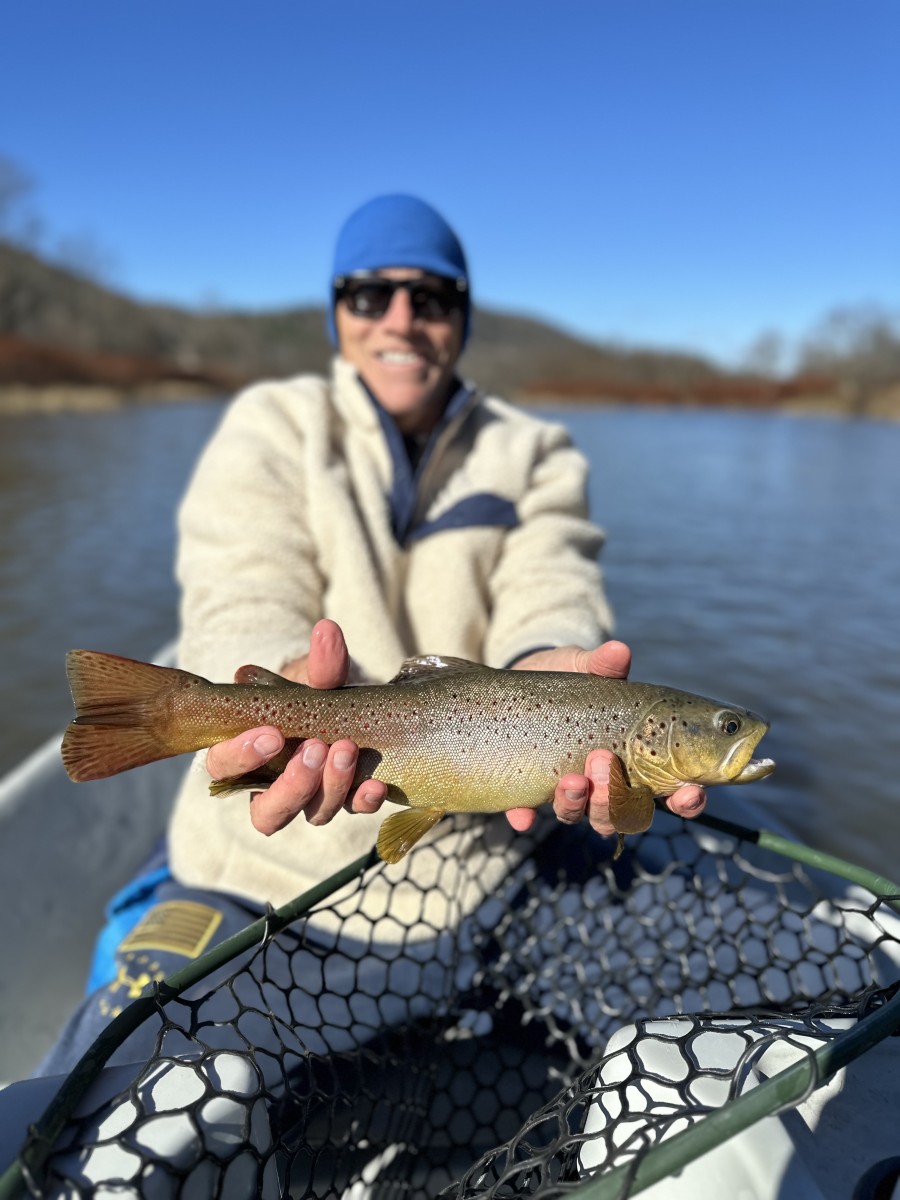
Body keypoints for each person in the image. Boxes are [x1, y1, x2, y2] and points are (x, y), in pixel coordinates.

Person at [37, 194, 705, 1076]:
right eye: (369, 295)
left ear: (461, 316)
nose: (402, 319)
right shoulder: (273, 424)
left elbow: (555, 589)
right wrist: (277, 687)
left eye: (430, 298)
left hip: (490, 864)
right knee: (100, 1100)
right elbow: (240, 585)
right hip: (268, 875)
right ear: (337, 312)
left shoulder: (534, 450)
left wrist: (552, 663)